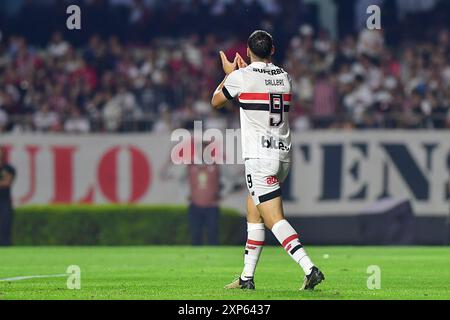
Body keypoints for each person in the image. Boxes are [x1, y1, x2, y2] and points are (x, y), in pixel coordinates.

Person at [211, 30, 324, 290]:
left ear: (248, 52)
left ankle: (309, 268)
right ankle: (246, 278)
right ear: (272, 50)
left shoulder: (241, 77)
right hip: (282, 157)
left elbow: (215, 101)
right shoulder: (285, 77)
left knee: (274, 219)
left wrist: (230, 72)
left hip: (260, 158)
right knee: (254, 209)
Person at [0, 146, 16, 246]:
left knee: (5, 223)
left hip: (4, 200)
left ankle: (5, 244)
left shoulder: (9, 168)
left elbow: (7, 182)